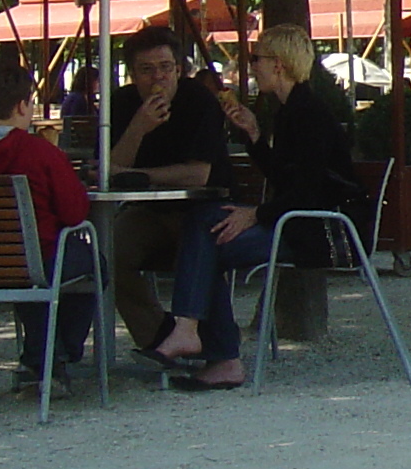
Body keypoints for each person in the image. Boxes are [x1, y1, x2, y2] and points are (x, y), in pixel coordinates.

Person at [150, 24, 354, 391]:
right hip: (300, 223)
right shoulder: (292, 109)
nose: (252, 65)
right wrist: (256, 136)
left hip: (321, 232)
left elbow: (307, 193)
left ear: (278, 64)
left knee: (208, 238)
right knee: (206, 224)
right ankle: (197, 337)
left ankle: (211, 347)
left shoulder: (308, 114)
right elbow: (287, 178)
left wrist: (255, 215)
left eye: (256, 58)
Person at [0, 61, 94, 398]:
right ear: (22, 105)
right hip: (36, 259)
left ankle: (40, 358)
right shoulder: (38, 151)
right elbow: (74, 213)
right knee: (92, 265)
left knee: (32, 271)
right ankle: (57, 355)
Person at [106, 26, 235, 356]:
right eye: (146, 70)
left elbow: (198, 175)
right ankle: (158, 338)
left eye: (165, 67)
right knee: (107, 252)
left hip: (201, 212)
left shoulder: (199, 102)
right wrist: (138, 127)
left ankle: (209, 342)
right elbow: (110, 171)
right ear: (132, 74)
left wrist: (138, 175)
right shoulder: (122, 102)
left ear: (179, 69)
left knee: (195, 247)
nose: (157, 78)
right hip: (149, 211)